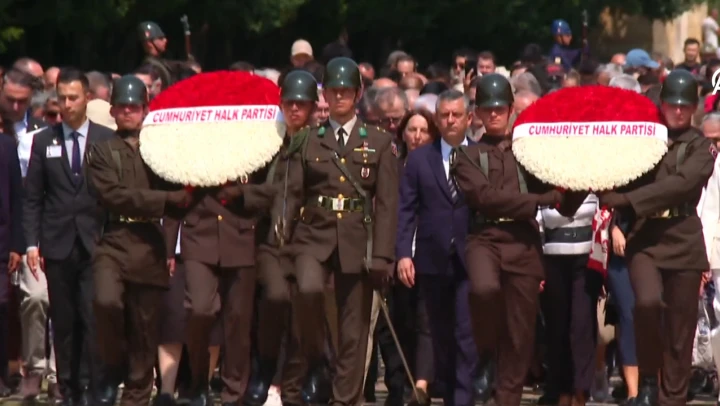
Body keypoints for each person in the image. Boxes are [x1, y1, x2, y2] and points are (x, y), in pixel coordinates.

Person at [450, 73, 578, 406]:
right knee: (484, 289)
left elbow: (563, 201)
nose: (493, 114)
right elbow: (486, 198)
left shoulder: (528, 153)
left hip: (523, 241)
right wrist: (540, 200)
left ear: (510, 110)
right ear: (477, 112)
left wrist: (583, 179)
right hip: (485, 238)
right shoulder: (466, 155)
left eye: (500, 108)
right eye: (487, 108)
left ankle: (508, 398)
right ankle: (486, 353)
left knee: (520, 333)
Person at [279, 57, 399, 406]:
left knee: (353, 327)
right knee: (308, 290)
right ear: (324, 96)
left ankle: (344, 398)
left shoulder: (378, 141)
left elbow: (387, 204)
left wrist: (382, 255)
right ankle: (315, 357)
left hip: (357, 241)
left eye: (346, 90)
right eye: (333, 91)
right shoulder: (307, 140)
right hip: (312, 236)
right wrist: (282, 242)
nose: (339, 96)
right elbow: (292, 195)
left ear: (358, 94)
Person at [600, 69, 714, 406]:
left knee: (681, 328)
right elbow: (617, 171)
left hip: (683, 237)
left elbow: (680, 186)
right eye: (672, 104)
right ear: (661, 104)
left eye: (684, 105)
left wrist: (628, 200)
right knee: (646, 304)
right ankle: (648, 379)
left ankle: (672, 397)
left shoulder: (702, 146)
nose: (677, 110)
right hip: (646, 238)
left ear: (694, 107)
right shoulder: (644, 140)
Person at [87, 75, 193, 406]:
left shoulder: (158, 149)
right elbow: (114, 196)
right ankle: (112, 366)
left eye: (134, 106)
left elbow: (182, 190)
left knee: (146, 327)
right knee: (106, 302)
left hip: (150, 242)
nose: (128, 112)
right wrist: (164, 200)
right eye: (122, 106)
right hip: (114, 239)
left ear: (146, 109)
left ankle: (137, 393)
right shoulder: (102, 150)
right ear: (112, 111)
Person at [22, 67, 116, 405]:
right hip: (58, 243)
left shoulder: (106, 139)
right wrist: (31, 243)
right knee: (63, 322)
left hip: (95, 243)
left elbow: (114, 195)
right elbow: (33, 198)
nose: (66, 104)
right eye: (61, 98)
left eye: (73, 97)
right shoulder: (43, 140)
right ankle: (68, 388)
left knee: (93, 317)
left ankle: (95, 388)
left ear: (87, 98)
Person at [396, 90, 478, 406]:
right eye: (444, 115)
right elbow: (406, 209)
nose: (450, 120)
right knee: (439, 333)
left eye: (456, 115)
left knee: (465, 332)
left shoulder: (481, 156)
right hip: (432, 258)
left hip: (471, 257)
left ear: (468, 118)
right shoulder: (420, 159)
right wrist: (404, 253)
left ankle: (462, 398)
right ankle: (447, 389)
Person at [243, 69, 319, 406]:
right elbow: (248, 187)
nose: (294, 109)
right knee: (275, 297)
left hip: (306, 240)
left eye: (301, 103)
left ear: (313, 107)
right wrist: (261, 195)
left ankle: (295, 379)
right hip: (270, 240)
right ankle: (265, 367)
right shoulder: (268, 143)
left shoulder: (319, 144)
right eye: (289, 103)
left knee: (302, 306)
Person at [138, 21, 172, 89]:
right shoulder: (148, 69)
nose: (165, 40)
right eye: (160, 38)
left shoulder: (159, 63)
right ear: (149, 43)